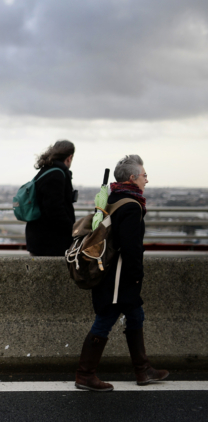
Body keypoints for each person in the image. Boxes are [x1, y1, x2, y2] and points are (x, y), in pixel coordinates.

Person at [74, 155, 169, 392]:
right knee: (106, 319)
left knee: (136, 315)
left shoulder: (113, 198)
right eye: (144, 175)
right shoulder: (131, 205)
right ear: (132, 177)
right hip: (119, 276)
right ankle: (85, 375)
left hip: (109, 271)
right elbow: (131, 246)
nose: (147, 180)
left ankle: (143, 369)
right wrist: (137, 275)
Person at [25, 140, 77, 256]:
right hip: (51, 242)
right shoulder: (57, 174)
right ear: (69, 157)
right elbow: (55, 210)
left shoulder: (46, 170)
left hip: (40, 239)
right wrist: (72, 229)